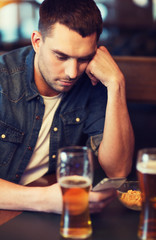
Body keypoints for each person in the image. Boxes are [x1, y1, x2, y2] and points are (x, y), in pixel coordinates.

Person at [0, 0, 134, 213]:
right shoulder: (4, 80)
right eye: (61, 56)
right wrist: (45, 199)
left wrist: (116, 83)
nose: (72, 72)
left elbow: (117, 170)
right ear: (37, 41)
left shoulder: (92, 82)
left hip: (46, 215)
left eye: (84, 58)